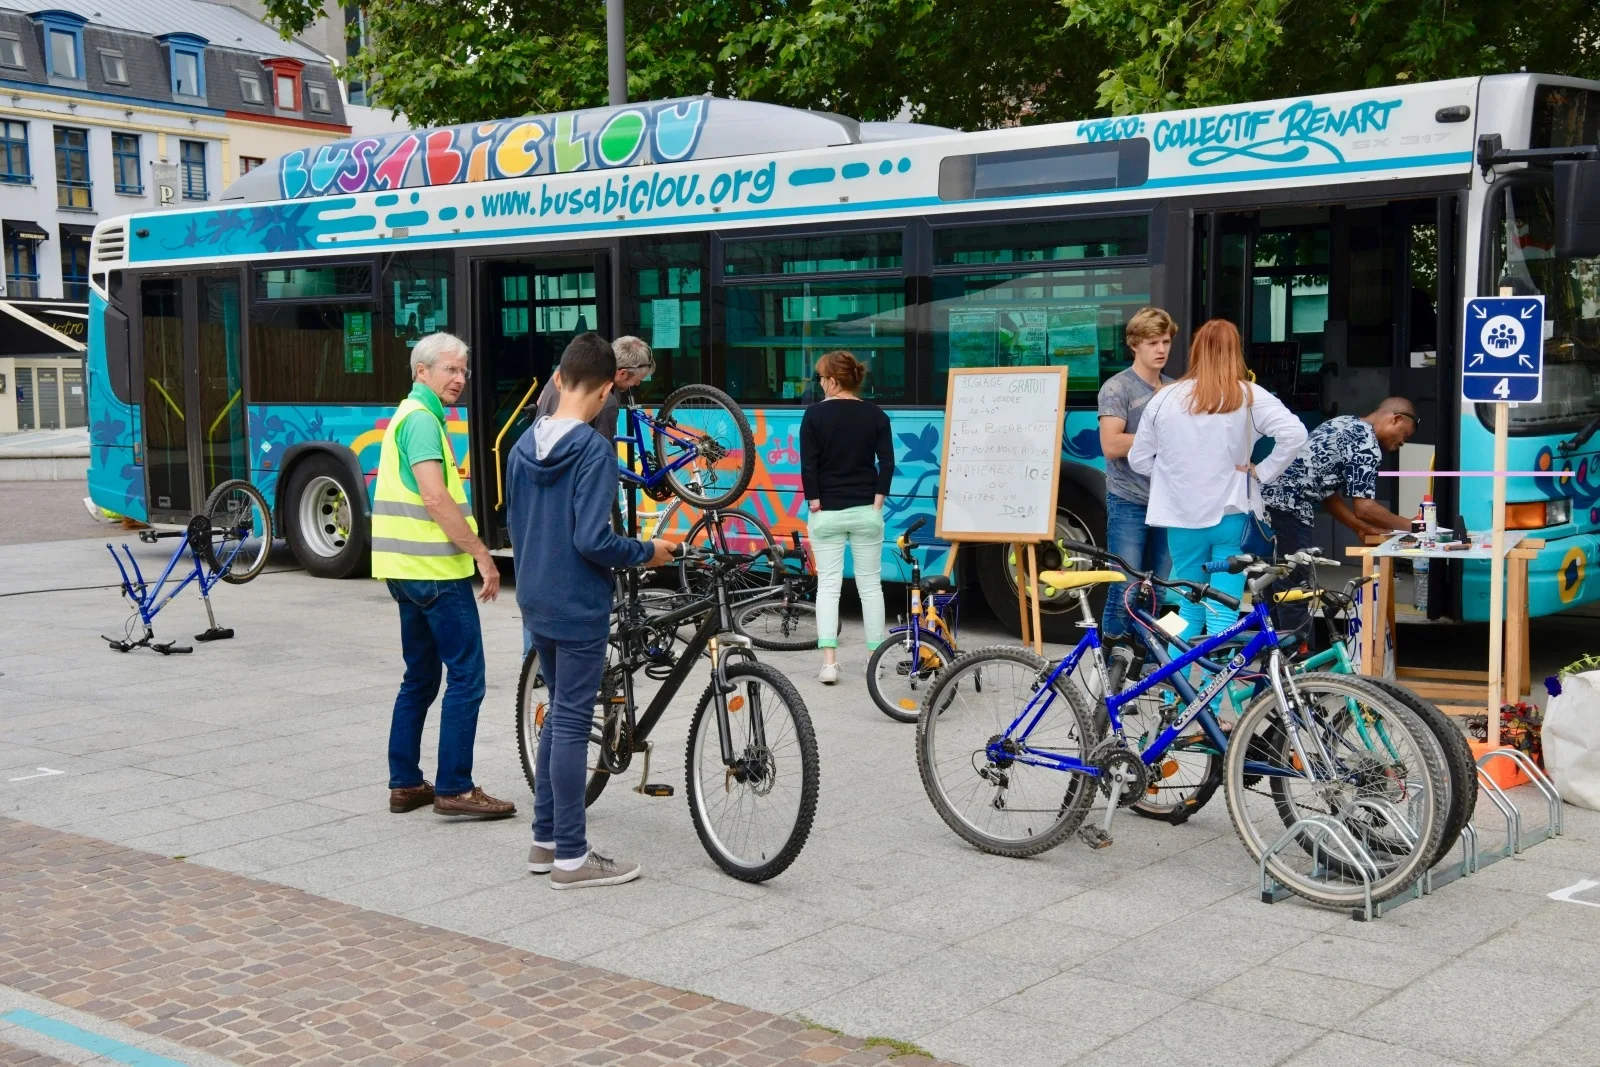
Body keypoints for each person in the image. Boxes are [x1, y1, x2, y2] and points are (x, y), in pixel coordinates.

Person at [506, 332, 676, 889]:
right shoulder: (594, 451)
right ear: (607, 390)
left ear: (557, 379)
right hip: (577, 602)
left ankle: (545, 841)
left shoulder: (521, 445)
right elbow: (592, 541)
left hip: (535, 598)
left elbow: (520, 527)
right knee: (574, 720)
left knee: (560, 714)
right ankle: (573, 858)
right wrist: (649, 552)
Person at [373, 332, 516, 819]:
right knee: (467, 677)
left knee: (419, 678)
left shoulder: (411, 416)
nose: (459, 379)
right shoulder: (422, 422)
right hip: (435, 572)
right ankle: (455, 787)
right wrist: (482, 554)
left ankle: (406, 783)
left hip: (406, 572)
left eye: (463, 371)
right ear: (422, 372)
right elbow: (436, 498)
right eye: (450, 370)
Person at [1129, 319, 1307, 641]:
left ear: (1195, 351)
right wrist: (1262, 471)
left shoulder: (1165, 398)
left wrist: (1175, 475)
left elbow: (1138, 459)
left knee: (1188, 610)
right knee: (1223, 613)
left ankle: (1175, 691)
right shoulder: (1250, 395)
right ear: (1235, 352)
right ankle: (1216, 690)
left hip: (1181, 521)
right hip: (1231, 517)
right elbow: (1295, 434)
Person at [1261, 398, 1419, 632]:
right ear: (1395, 419)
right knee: (1294, 593)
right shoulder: (1367, 444)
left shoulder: (1342, 423)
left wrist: (1357, 527)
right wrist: (1412, 526)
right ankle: (1298, 665)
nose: (1401, 444)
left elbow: (1329, 496)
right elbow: (1365, 507)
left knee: (1273, 586)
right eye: (1404, 435)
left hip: (1263, 507)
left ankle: (1271, 660)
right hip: (1290, 511)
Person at [800, 350, 895, 684]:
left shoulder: (814, 416)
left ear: (834, 381)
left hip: (826, 512)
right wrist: (877, 501)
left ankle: (829, 663)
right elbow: (887, 463)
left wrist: (814, 501)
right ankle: (875, 660)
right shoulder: (876, 415)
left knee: (828, 587)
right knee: (871, 586)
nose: (820, 383)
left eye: (822, 378)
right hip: (866, 513)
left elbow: (808, 465)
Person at [1097, 306, 1177, 646]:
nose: (1161, 349)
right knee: (1124, 585)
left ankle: (1150, 658)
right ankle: (1110, 654)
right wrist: (1162, 438)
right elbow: (1111, 444)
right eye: (1153, 342)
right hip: (1128, 500)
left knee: (1162, 585)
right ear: (1135, 345)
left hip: (1167, 500)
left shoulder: (1175, 389)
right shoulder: (1118, 388)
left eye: (1166, 341)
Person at [531, 334, 654, 437]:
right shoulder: (606, 402)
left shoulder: (562, 371)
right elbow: (604, 455)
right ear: (622, 373)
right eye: (638, 380)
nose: (637, 384)